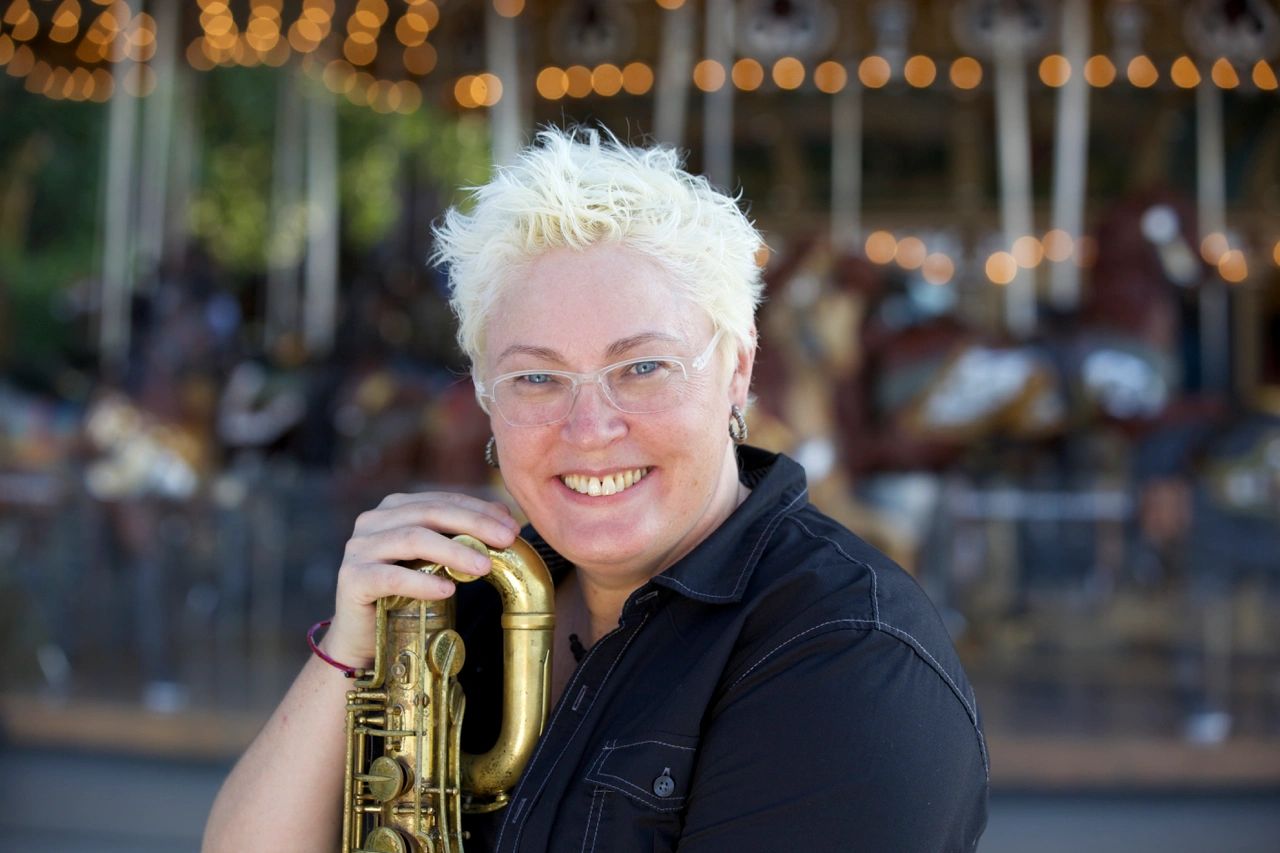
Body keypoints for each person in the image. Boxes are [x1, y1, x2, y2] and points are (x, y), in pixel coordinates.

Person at [203, 127, 988, 852]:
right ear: (486, 396)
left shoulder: (850, 658)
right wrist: (347, 650)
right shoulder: (459, 602)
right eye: (537, 376)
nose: (589, 426)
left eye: (642, 367)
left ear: (737, 370)